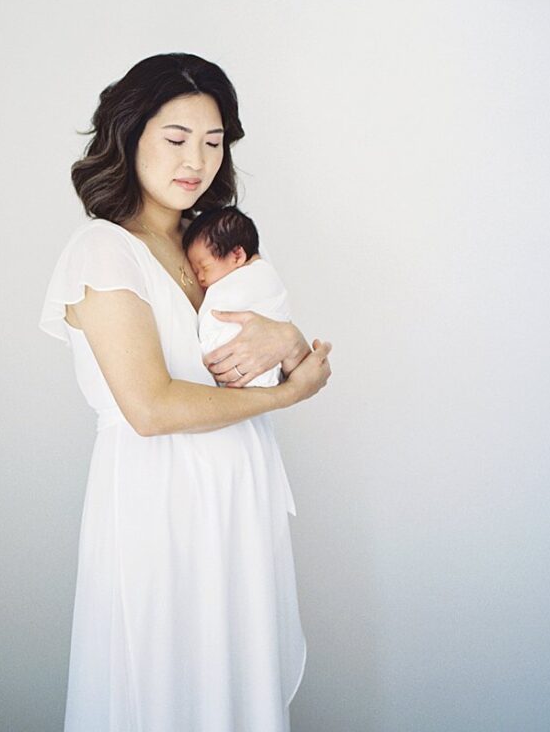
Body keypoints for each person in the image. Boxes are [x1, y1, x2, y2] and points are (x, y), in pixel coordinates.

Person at [39, 53, 332, 732]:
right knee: (165, 681)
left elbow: (249, 354)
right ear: (131, 134)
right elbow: (152, 407)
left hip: (235, 495)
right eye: (175, 138)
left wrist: (288, 341)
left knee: (232, 679)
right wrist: (288, 396)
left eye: (213, 140)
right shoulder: (103, 250)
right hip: (159, 497)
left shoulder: (208, 247)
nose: (195, 159)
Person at [183, 204, 293, 388]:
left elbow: (215, 316)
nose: (200, 277)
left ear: (237, 256)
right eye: (195, 271)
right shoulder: (258, 272)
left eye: (204, 268)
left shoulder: (251, 279)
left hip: (245, 370)